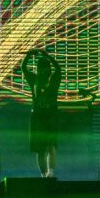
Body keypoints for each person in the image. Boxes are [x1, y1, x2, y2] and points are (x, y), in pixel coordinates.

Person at [22, 48, 62, 178]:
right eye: (41, 68)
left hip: (51, 115)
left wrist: (48, 56)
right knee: (40, 149)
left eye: (46, 68)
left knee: (51, 145)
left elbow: (58, 68)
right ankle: (44, 175)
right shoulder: (34, 79)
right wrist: (28, 55)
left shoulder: (54, 79)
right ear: (38, 69)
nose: (44, 70)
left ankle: (51, 172)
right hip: (37, 116)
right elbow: (23, 68)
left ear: (49, 68)